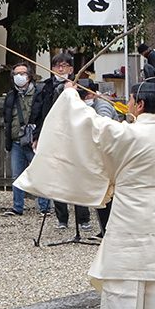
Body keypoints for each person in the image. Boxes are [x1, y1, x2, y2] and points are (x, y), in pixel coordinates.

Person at [13, 79, 155, 309]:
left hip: (127, 211)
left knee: (121, 270)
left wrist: (70, 95)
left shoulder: (125, 134)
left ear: (140, 104)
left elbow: (88, 123)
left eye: (132, 100)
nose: (129, 104)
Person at [37, 52, 91, 231]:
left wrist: (72, 91)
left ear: (71, 69)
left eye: (65, 66)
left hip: (75, 137)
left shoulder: (80, 86)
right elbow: (39, 113)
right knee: (57, 177)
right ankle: (62, 218)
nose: (61, 69)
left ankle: (83, 219)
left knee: (78, 177)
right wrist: (38, 135)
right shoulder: (45, 87)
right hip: (55, 135)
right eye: (58, 66)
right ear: (52, 69)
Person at [1, 63, 50, 216]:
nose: (19, 76)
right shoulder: (11, 96)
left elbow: (43, 117)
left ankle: (44, 207)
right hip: (16, 140)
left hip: (34, 139)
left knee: (40, 173)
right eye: (16, 73)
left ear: (29, 76)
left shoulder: (39, 93)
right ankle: (17, 207)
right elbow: (7, 118)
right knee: (17, 175)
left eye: (22, 73)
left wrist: (38, 136)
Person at [78, 79, 117, 238]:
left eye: (86, 95)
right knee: (101, 194)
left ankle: (109, 230)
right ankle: (105, 229)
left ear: (92, 94)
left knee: (107, 195)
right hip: (98, 154)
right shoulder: (89, 107)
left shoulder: (102, 106)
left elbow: (103, 128)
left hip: (108, 154)